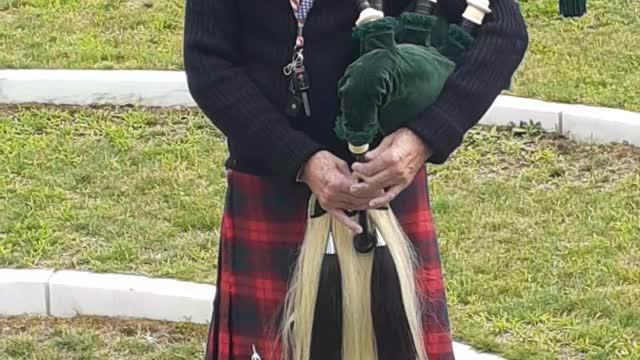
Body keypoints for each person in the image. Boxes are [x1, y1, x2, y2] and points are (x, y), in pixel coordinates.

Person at [183, 0, 528, 359]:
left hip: (382, 194)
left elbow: (503, 30)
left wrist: (426, 136)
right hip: (269, 185)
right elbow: (208, 63)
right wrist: (299, 158)